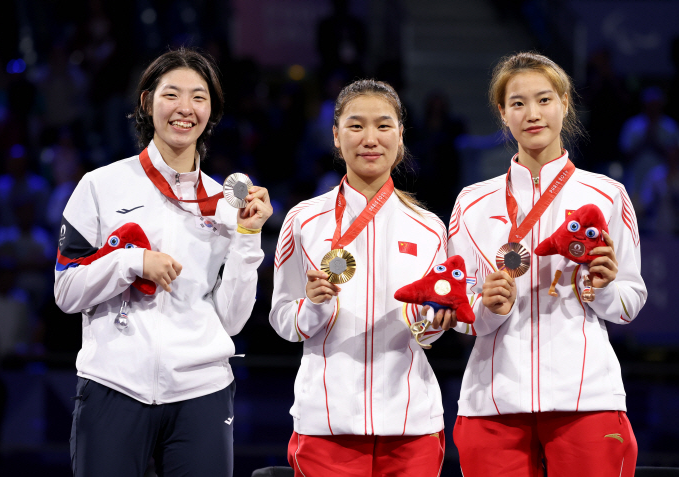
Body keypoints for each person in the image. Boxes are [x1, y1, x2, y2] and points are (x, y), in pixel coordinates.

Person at [54, 48, 272, 477]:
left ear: (212, 111)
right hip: (113, 384)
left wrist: (249, 238)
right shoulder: (100, 186)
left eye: (199, 97)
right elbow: (66, 292)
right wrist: (131, 262)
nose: (185, 109)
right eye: (172, 95)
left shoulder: (227, 205)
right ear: (147, 102)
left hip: (202, 390)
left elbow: (230, 321)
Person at [447, 52, 646, 477]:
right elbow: (458, 309)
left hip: (586, 400)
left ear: (564, 103)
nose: (532, 114)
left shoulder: (607, 195)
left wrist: (604, 286)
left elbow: (629, 303)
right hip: (492, 403)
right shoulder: (471, 202)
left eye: (544, 100)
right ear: (502, 113)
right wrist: (486, 308)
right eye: (517, 103)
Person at [270, 79, 454, 477]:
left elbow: (432, 329)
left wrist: (433, 323)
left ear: (401, 136)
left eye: (383, 126)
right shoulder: (303, 221)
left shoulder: (430, 228)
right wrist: (313, 306)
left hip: (411, 425)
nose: (370, 138)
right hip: (326, 425)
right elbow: (283, 320)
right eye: (356, 126)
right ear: (336, 136)